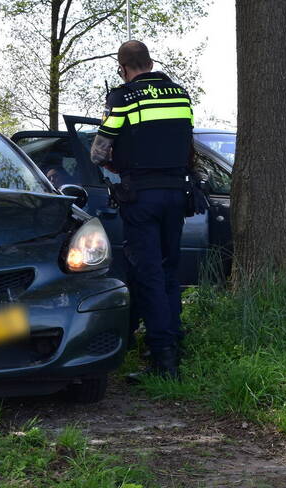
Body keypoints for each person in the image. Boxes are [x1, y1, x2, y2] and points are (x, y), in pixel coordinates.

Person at [89, 40, 194, 380]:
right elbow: (186, 142)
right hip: (177, 194)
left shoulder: (122, 97)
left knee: (148, 273)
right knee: (168, 271)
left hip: (141, 198)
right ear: (150, 62)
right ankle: (173, 339)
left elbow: (99, 152)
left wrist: (117, 162)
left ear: (123, 67)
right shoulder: (180, 94)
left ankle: (163, 360)